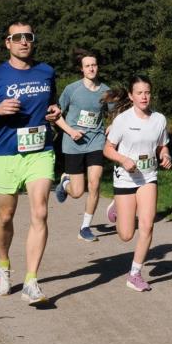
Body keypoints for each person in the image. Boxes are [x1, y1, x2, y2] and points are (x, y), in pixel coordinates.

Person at [0, 22, 61, 304]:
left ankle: (32, 281)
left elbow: (51, 103)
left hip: (40, 151)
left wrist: (54, 112)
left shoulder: (46, 72)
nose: (23, 42)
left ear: (33, 41)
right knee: (6, 216)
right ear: (7, 43)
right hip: (6, 153)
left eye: (28, 37)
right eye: (17, 37)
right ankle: (3, 264)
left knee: (40, 212)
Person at [102, 76, 172, 292]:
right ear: (131, 96)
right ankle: (117, 206)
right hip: (125, 177)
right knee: (125, 235)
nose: (144, 96)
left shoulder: (159, 119)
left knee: (147, 224)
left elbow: (162, 145)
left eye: (147, 92)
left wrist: (166, 155)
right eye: (139, 93)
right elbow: (108, 149)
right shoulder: (123, 120)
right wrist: (123, 159)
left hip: (148, 177)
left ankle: (135, 273)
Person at [53, 49, 111, 242]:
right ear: (82, 69)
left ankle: (85, 227)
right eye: (87, 66)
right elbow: (55, 114)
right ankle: (65, 182)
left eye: (94, 65)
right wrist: (70, 131)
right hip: (74, 143)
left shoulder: (105, 90)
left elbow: (117, 111)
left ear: (98, 67)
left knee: (94, 184)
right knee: (77, 192)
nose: (91, 68)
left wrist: (112, 126)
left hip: (96, 141)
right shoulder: (72, 89)